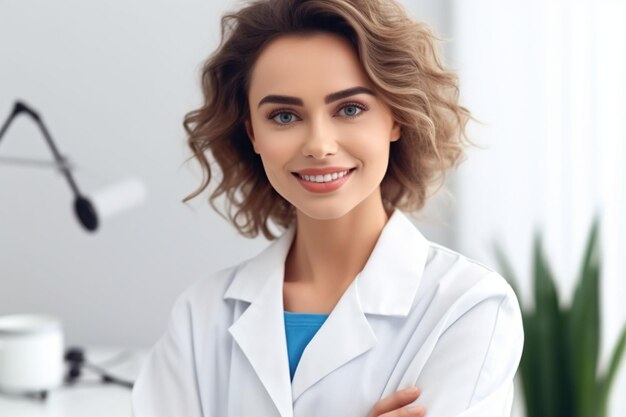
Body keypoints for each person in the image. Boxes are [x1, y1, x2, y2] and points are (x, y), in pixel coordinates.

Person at [131, 0, 524, 416]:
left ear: (395, 117)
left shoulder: (468, 307)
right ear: (253, 134)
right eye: (284, 116)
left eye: (350, 109)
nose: (319, 144)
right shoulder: (201, 314)